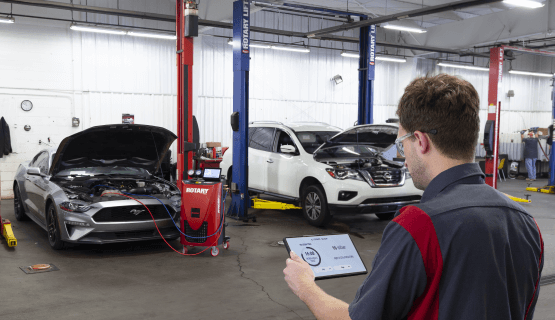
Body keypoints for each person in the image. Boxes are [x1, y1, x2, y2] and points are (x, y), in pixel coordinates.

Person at [283, 74, 544, 320]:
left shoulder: (418, 226)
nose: (402, 157)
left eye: (401, 144)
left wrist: (305, 286)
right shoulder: (527, 224)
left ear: (420, 141)